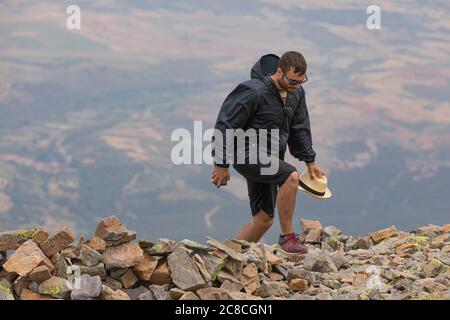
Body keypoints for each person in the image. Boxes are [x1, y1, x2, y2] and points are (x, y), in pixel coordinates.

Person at [211, 51, 325, 254]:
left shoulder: (296, 94)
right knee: (291, 176)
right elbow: (226, 124)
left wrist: (310, 161)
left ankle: (224, 258)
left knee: (263, 219)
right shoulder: (253, 91)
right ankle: (288, 237)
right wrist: (221, 164)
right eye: (292, 81)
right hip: (244, 153)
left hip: (270, 158)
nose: (296, 86)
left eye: (301, 81)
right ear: (279, 71)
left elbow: (300, 128)